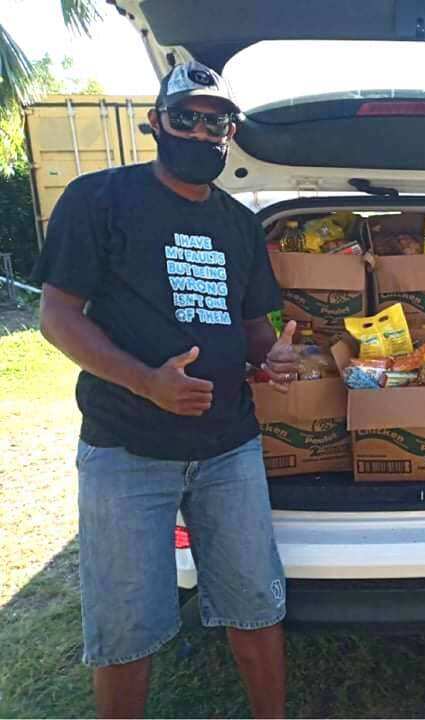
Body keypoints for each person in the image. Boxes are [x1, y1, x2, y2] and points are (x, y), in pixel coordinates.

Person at [32, 61, 300, 719]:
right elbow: (58, 315)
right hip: (126, 448)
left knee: (256, 603)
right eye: (188, 118)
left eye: (219, 123)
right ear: (156, 123)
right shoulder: (100, 199)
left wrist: (278, 357)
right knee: (126, 625)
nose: (204, 133)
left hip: (229, 447)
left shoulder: (239, 224)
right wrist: (146, 383)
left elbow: (251, 328)